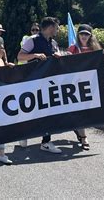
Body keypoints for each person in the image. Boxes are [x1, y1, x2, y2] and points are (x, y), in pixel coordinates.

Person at [17, 17, 63, 154]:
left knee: (48, 111)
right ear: (50, 27)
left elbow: (56, 56)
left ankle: (46, 141)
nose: (57, 30)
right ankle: (23, 134)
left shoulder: (53, 42)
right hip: (33, 81)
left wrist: (58, 55)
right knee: (30, 110)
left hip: (49, 82)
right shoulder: (32, 40)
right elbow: (20, 56)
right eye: (56, 27)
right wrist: (35, 55)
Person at [67, 24, 104, 150]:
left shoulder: (95, 49)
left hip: (91, 84)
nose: (84, 36)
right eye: (82, 34)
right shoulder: (73, 48)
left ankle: (79, 130)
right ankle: (84, 138)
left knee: (86, 112)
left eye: (87, 34)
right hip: (76, 85)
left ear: (90, 36)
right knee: (80, 111)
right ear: (78, 35)